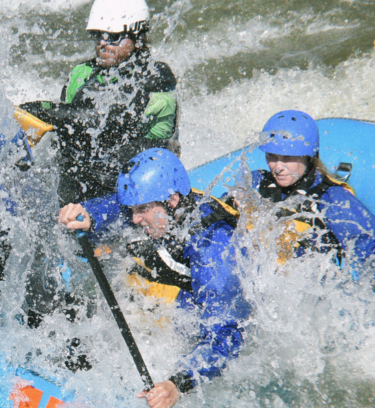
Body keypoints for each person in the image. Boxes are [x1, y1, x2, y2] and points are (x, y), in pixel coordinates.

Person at [58, 148, 250, 408]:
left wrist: (176, 384)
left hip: (210, 326)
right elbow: (116, 207)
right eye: (133, 209)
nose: (135, 218)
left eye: (142, 210)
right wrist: (87, 215)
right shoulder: (158, 206)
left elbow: (225, 335)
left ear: (172, 201)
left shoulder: (213, 246)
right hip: (170, 299)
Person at [17, 0, 180, 205]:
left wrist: (47, 111)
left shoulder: (157, 79)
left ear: (137, 38)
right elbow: (66, 134)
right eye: (97, 36)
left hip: (136, 190)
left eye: (111, 37)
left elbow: (104, 121)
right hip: (81, 185)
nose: (102, 43)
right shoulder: (81, 74)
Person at [244, 110, 375, 292]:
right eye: (272, 157)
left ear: (308, 157)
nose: (278, 167)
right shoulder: (257, 182)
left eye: (287, 158)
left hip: (306, 293)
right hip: (260, 283)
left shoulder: (331, 199)